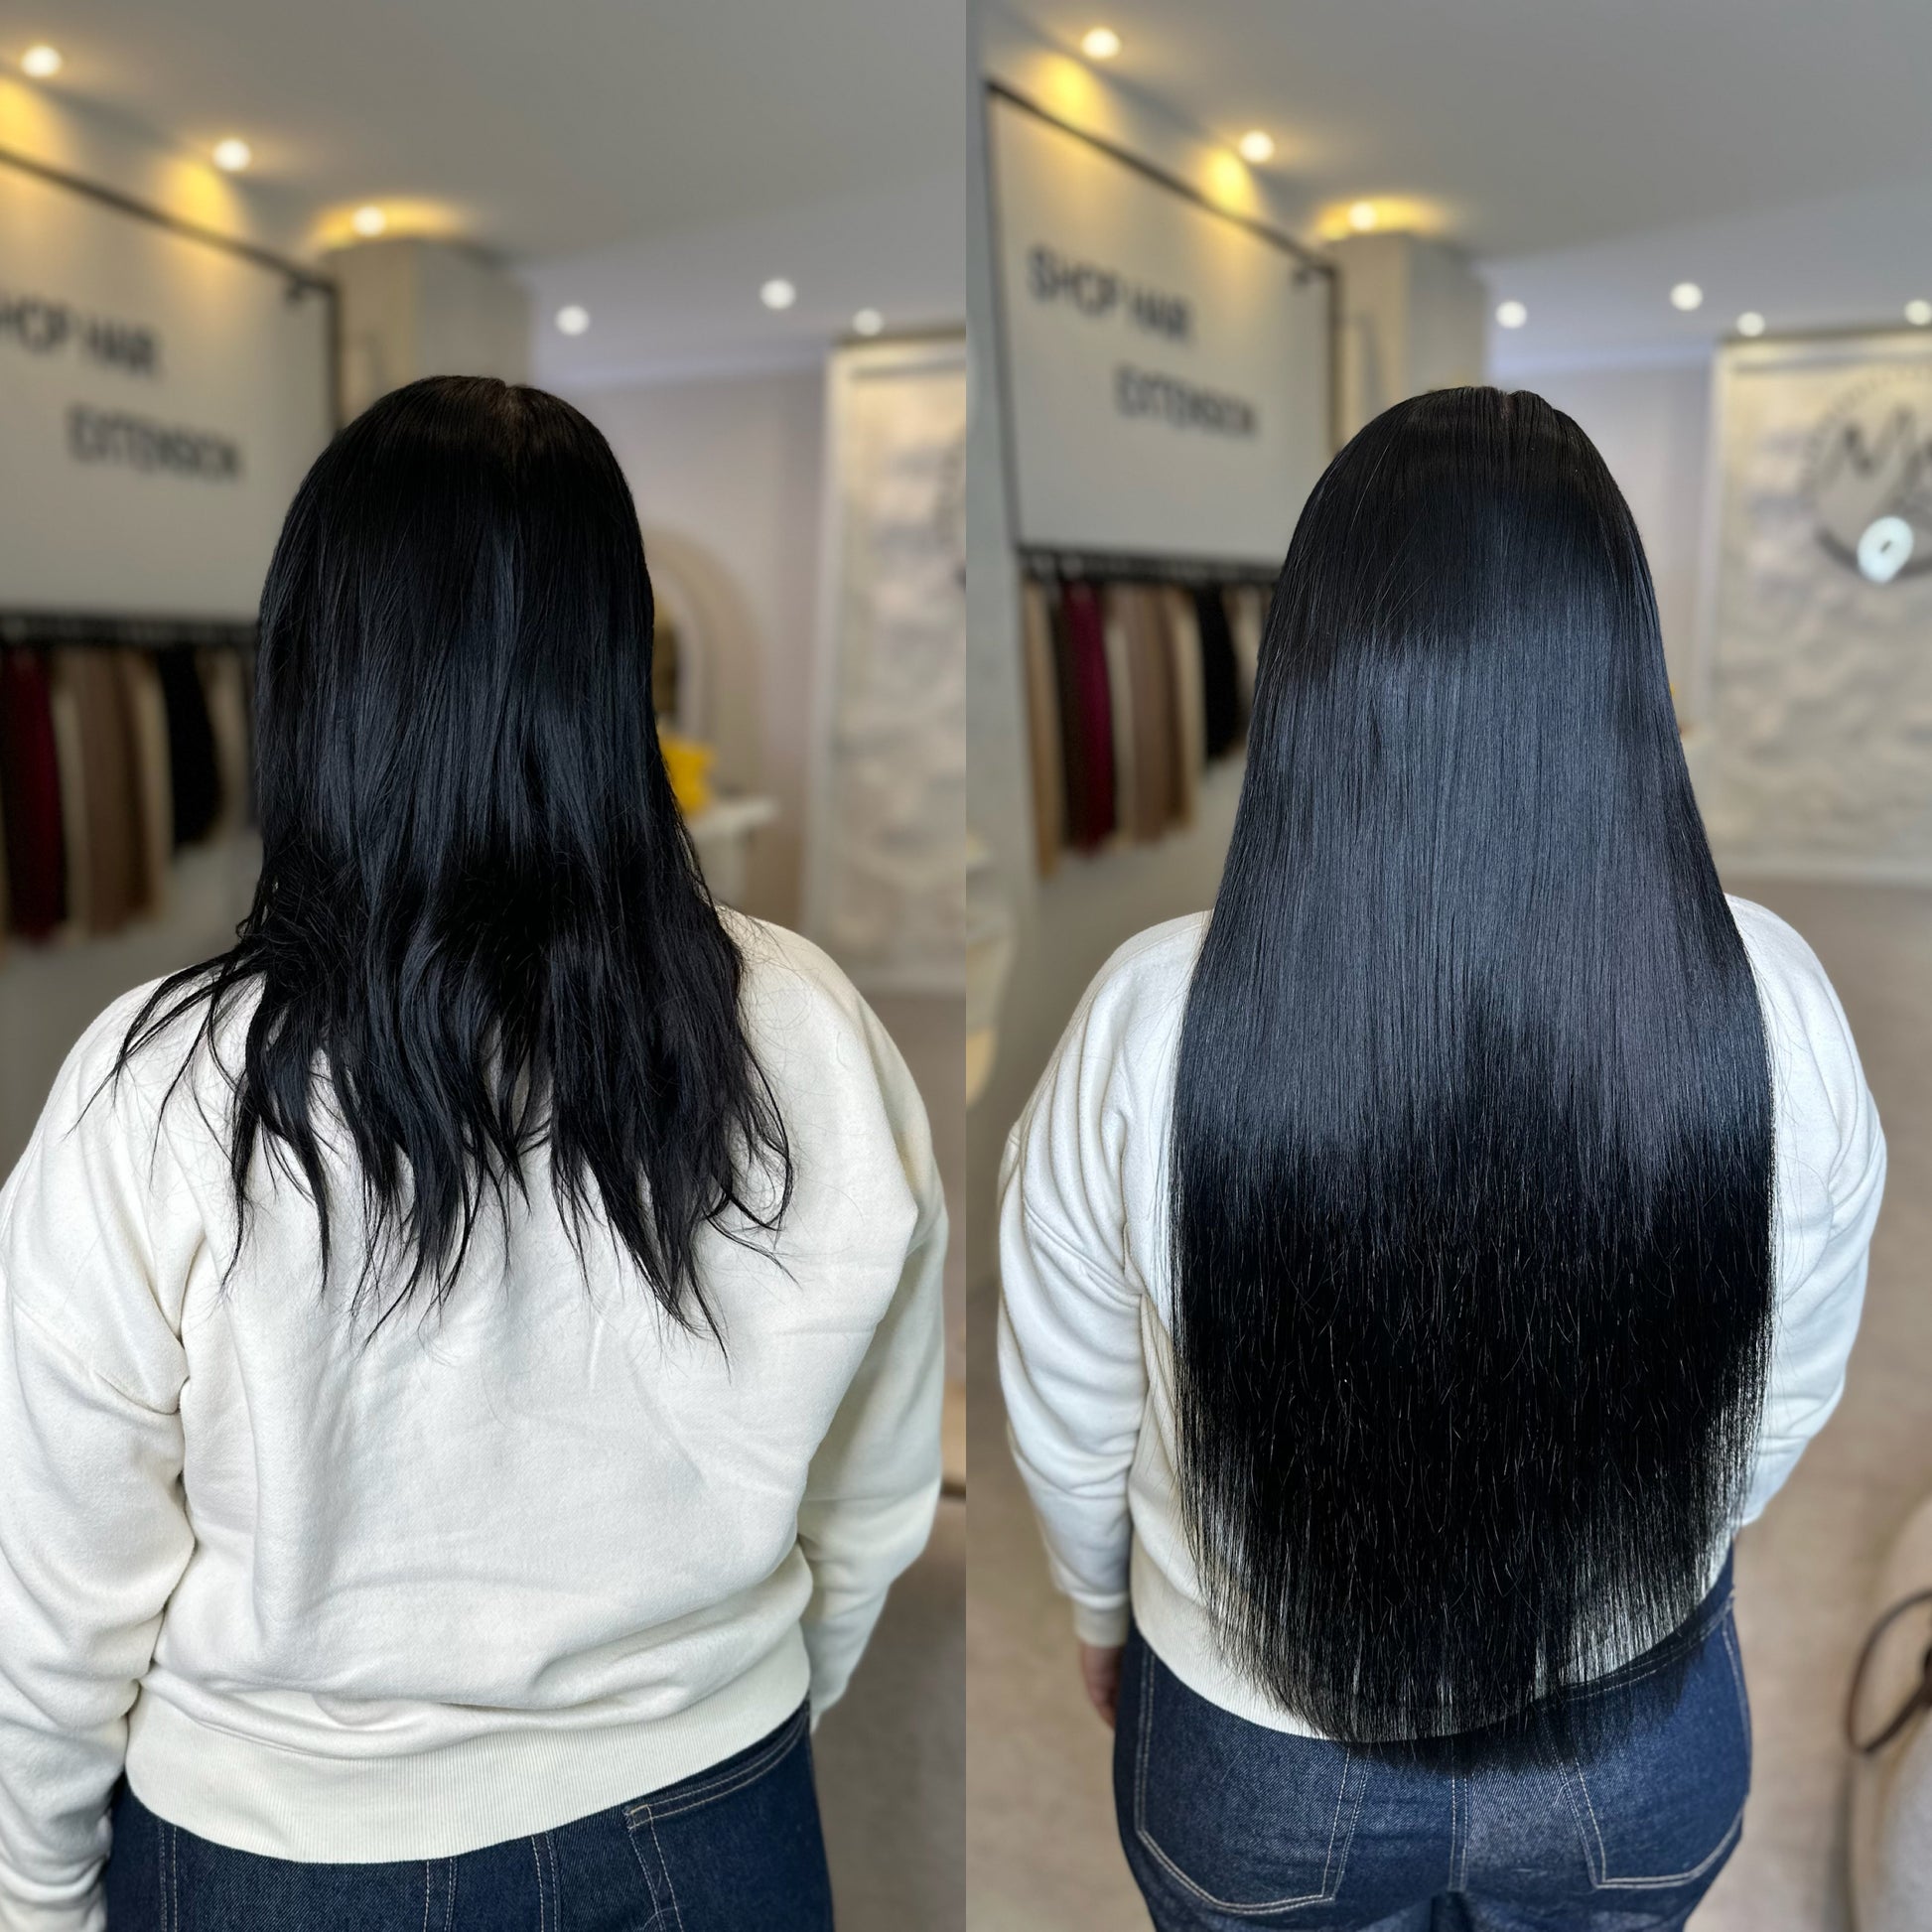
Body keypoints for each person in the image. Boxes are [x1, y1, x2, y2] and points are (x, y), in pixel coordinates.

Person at [0, 375, 945, 1930]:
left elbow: (51, 1589)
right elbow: (877, 1484)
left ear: (317, 668)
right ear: (611, 660)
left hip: (280, 1851)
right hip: (714, 1816)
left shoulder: (156, 1087)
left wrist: (38, 1894)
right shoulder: (809, 1026)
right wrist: (736, 1713)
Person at [999, 387, 1884, 1931]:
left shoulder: (1143, 1018)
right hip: (1629, 1739)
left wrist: (1097, 1601)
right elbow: (1784, 1385)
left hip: (1256, 1754)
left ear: (1314, 665)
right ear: (1618, 664)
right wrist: (1664, 1546)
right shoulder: (1771, 1000)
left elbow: (1069, 1402)